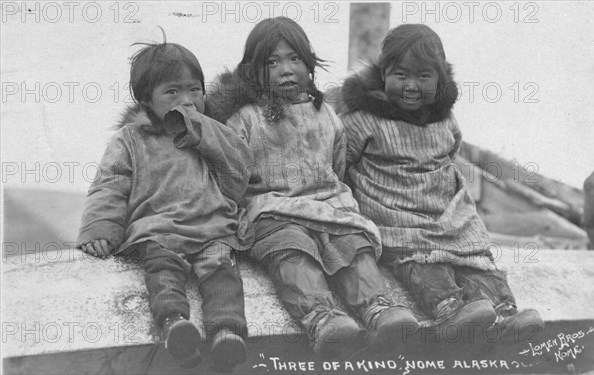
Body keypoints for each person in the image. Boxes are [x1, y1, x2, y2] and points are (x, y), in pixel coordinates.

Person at [205, 17, 419, 359]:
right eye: (271, 62)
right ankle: (321, 316)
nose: (285, 70)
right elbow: (232, 174)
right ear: (253, 70)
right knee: (294, 251)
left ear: (309, 62)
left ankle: (378, 308)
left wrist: (336, 201)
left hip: (327, 204)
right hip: (272, 210)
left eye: (294, 59)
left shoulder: (326, 114)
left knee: (353, 246)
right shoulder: (245, 117)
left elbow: (336, 166)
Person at [338, 24, 544, 344]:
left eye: (424, 76)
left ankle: (504, 313)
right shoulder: (363, 119)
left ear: (440, 78)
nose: (411, 85)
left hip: (447, 213)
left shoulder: (444, 119)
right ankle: (449, 310)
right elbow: (340, 164)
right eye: (401, 75)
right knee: (422, 263)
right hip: (397, 216)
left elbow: (451, 153)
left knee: (476, 261)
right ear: (382, 74)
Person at [77, 40, 251, 371]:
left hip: (211, 226)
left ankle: (227, 333)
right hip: (159, 228)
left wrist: (205, 133)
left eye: (194, 90)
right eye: (172, 92)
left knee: (223, 276)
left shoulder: (212, 131)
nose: (186, 100)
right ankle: (175, 325)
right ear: (147, 100)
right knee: (162, 271)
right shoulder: (131, 139)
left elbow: (239, 171)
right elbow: (110, 183)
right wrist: (101, 228)